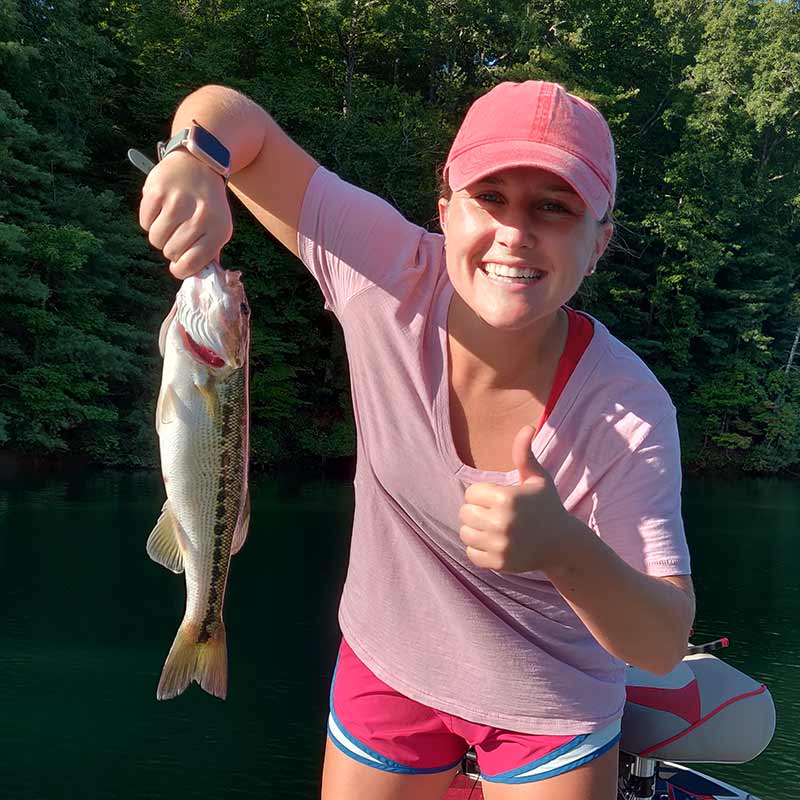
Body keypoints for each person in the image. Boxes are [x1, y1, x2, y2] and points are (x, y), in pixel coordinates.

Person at [138, 79, 695, 800]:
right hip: (388, 663)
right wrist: (194, 158)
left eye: (554, 207)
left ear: (600, 245)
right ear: (445, 212)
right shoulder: (384, 270)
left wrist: (564, 547)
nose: (515, 233)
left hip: (548, 696)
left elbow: (660, 640)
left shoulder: (628, 411)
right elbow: (231, 115)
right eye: (488, 197)